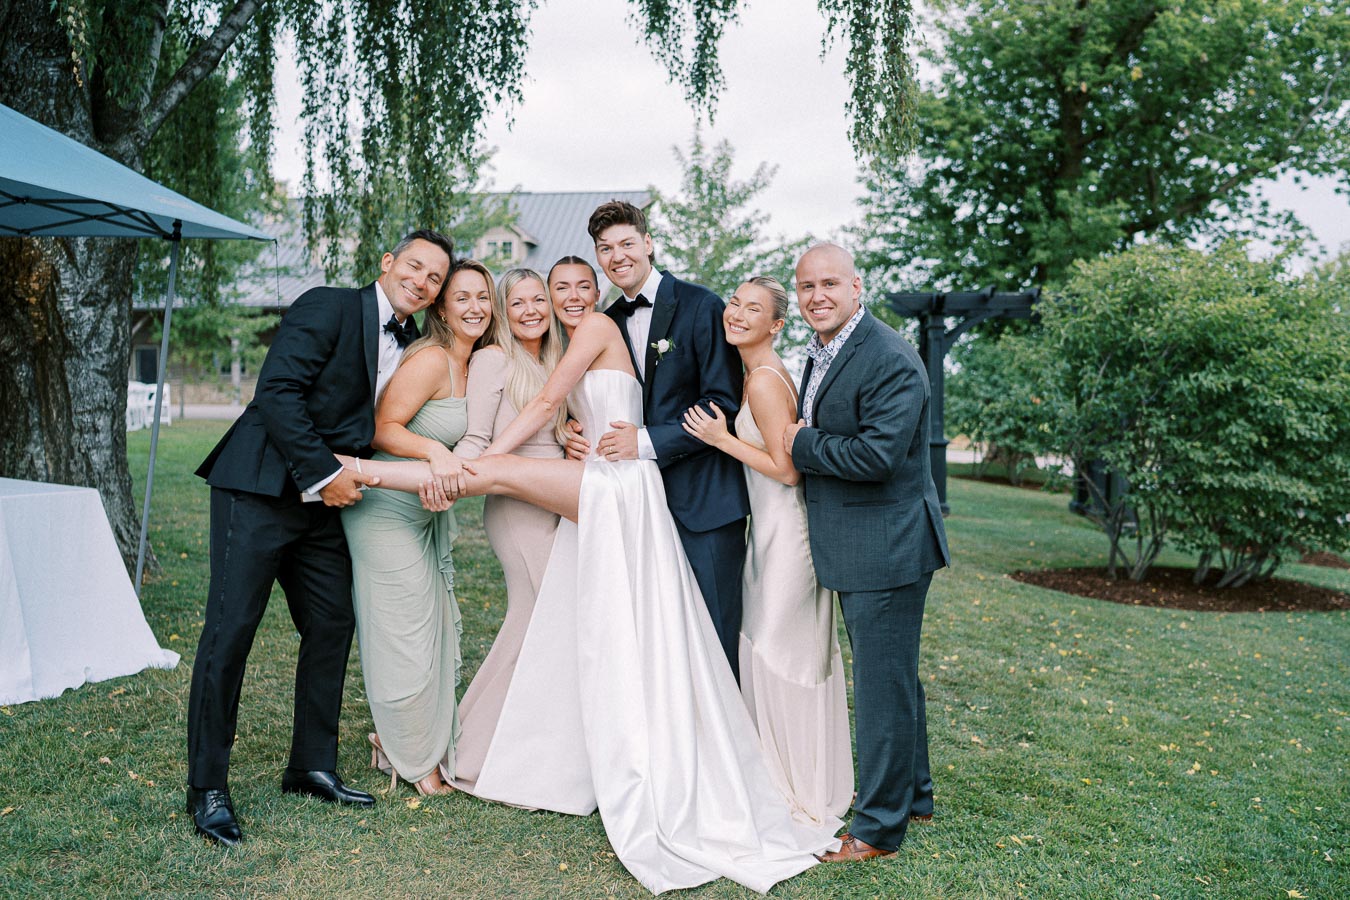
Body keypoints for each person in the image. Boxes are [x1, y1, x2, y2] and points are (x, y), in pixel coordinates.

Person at [342, 290, 837, 895]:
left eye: (582, 284)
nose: (570, 298)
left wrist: (480, 462)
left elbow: (565, 398)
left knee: (493, 478)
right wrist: (573, 430)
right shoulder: (589, 336)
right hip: (614, 480)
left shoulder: (602, 325)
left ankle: (358, 470)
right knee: (583, 619)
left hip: (620, 482)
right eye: (559, 290)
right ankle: (362, 472)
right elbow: (563, 403)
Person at [187, 229, 454, 846]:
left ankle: (310, 765)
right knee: (231, 632)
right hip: (258, 489)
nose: (421, 280)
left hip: (325, 508)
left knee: (332, 623)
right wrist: (326, 475)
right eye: (414, 266)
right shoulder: (329, 304)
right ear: (387, 263)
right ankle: (207, 786)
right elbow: (276, 392)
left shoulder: (415, 346)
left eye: (434, 277)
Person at [782, 243, 951, 862]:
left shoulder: (889, 357)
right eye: (805, 287)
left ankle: (879, 828)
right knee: (894, 677)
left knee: (881, 688)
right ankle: (915, 796)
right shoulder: (826, 349)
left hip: (888, 544)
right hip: (867, 541)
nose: (817, 296)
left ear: (858, 286)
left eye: (830, 283)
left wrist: (802, 443)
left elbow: (877, 458)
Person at [681, 275, 853, 827]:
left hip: (788, 540)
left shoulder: (764, 382)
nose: (735, 312)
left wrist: (721, 440)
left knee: (783, 654)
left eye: (752, 308)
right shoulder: (758, 373)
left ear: (776, 325)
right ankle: (774, 771)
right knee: (768, 649)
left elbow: (787, 470)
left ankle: (797, 782)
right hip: (768, 535)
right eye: (734, 302)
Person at [578, 200, 750, 680]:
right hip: (635, 505)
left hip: (704, 502)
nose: (618, 256)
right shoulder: (605, 320)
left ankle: (726, 751)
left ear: (648, 243)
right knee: (654, 636)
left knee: (715, 633)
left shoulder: (701, 305)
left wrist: (646, 441)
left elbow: (722, 402)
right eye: (605, 249)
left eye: (627, 244)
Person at [341, 258, 494, 797]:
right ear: (441, 309)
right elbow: (384, 426)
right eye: (462, 298)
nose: (475, 307)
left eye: (483, 296)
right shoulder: (430, 359)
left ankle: (394, 741)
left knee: (431, 630)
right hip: (384, 509)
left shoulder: (478, 364)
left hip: (428, 510)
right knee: (400, 635)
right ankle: (413, 759)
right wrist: (433, 452)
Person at [449, 265, 569, 794]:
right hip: (515, 504)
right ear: (503, 310)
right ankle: (466, 749)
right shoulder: (494, 359)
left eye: (537, 300)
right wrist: (452, 474)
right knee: (539, 617)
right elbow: (476, 435)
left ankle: (519, 739)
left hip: (558, 497)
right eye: (516, 303)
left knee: (537, 624)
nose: (530, 311)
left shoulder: (556, 359)